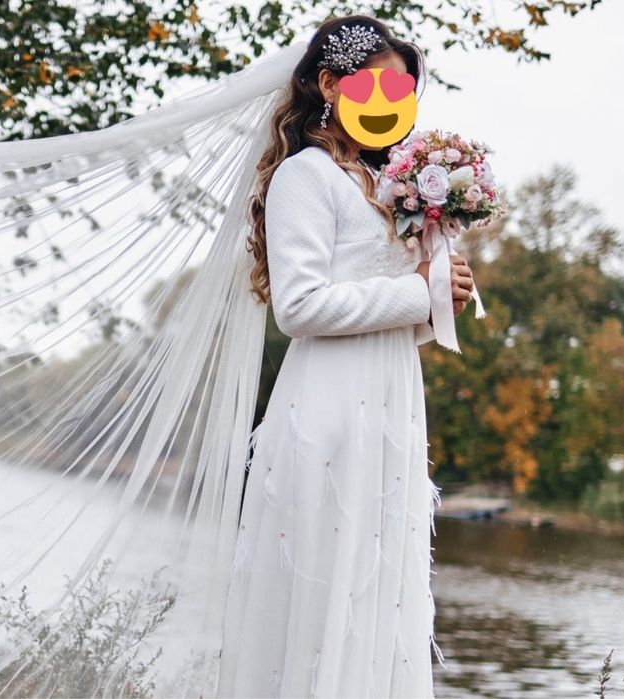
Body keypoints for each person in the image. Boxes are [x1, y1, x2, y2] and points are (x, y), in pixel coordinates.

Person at [217, 16, 475, 698]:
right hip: (329, 409)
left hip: (389, 402)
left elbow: (388, 316)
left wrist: (437, 299)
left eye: (402, 91)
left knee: (376, 590)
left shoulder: (381, 184)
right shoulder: (305, 176)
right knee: (325, 584)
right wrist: (416, 292)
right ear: (331, 85)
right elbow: (299, 308)